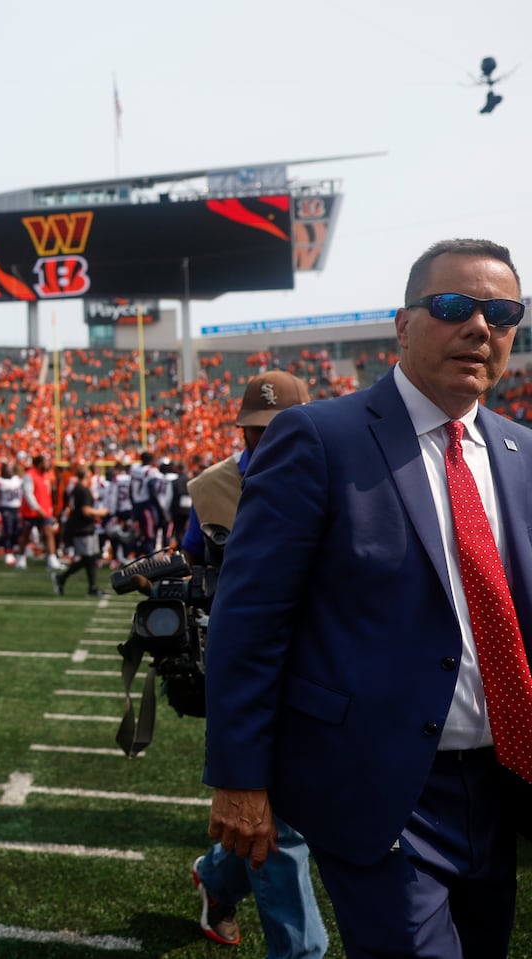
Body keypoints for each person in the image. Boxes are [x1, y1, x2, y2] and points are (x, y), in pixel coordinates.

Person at [205, 239, 532, 958]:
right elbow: (250, 622)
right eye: (452, 306)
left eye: (502, 311)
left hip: (501, 778)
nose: (480, 326)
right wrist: (239, 776)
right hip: (382, 790)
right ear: (404, 323)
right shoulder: (320, 437)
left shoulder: (520, 451)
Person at [184, 371, 327, 957]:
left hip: (322, 661)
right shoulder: (213, 487)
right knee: (278, 822)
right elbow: (193, 558)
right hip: (248, 663)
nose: (264, 444)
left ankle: (217, 876)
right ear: (240, 429)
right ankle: (300, 950)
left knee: (302, 808)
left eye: (279, 433)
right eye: (254, 432)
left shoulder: (332, 475)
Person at [53, 464, 108, 597]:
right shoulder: (82, 490)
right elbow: (85, 510)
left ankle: (91, 587)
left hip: (84, 526)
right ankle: (64, 579)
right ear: (87, 475)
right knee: (89, 558)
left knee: (90, 558)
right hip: (82, 527)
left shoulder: (79, 488)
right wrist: (101, 512)